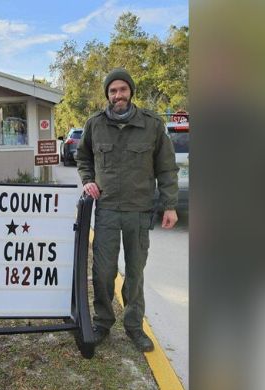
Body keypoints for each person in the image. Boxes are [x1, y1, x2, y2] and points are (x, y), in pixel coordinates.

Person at [76, 68, 179, 352]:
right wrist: (88, 181)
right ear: (107, 95)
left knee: (135, 272)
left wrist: (169, 205)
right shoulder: (94, 124)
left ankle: (134, 326)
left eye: (122, 89)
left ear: (130, 92)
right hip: (107, 209)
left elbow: (167, 167)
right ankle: (103, 323)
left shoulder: (152, 124)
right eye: (112, 91)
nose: (117, 95)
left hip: (139, 210)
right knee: (103, 272)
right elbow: (82, 156)